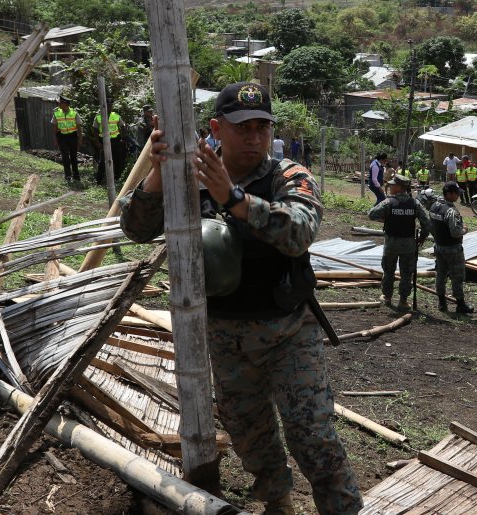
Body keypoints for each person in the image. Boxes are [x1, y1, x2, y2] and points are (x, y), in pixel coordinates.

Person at [118, 82, 362, 514]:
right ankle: (278, 503)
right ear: (216, 128)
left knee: (313, 432)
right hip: (225, 334)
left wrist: (233, 198)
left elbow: (300, 233)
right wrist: (158, 170)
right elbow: (136, 229)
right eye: (241, 128)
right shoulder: (189, 176)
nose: (253, 138)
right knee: (251, 433)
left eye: (261, 128)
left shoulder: (286, 175)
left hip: (287, 329)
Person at [368, 174, 430, 311]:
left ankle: (387, 296)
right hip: (409, 244)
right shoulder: (415, 203)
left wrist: (385, 215)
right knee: (406, 273)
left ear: (400, 187)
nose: (390, 186)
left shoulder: (389, 202)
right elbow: (426, 223)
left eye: (392, 185)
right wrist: (422, 238)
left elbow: (371, 214)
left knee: (389, 270)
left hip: (391, 244)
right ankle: (403, 301)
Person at [428, 182, 475, 314]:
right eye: (456, 194)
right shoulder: (451, 211)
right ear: (449, 194)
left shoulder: (434, 206)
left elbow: (431, 225)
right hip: (452, 249)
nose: (458, 196)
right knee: (457, 275)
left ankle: (442, 303)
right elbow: (455, 232)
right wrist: (464, 230)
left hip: (438, 246)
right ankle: (460, 304)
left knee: (441, 274)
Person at [93, 102, 127, 184]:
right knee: (103, 162)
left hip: (115, 140)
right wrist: (97, 142)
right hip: (104, 141)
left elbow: (123, 126)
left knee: (118, 160)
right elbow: (95, 130)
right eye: (108, 106)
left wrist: (123, 138)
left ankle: (117, 179)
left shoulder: (116, 115)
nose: (109, 108)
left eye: (110, 106)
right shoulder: (98, 117)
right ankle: (99, 181)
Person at [52, 95, 80, 184]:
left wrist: (80, 139)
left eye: (60, 102)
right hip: (62, 137)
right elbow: (54, 127)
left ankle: (76, 176)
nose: (58, 103)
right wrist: (56, 139)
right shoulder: (56, 112)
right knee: (65, 157)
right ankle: (68, 176)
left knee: (73, 157)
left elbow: (79, 127)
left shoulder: (74, 113)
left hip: (73, 137)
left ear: (65, 104)